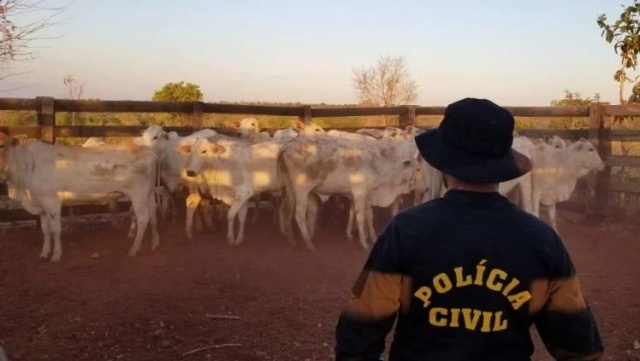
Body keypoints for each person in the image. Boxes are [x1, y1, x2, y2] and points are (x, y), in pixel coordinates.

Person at [333, 98, 604, 361]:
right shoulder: (542, 239)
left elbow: (357, 334)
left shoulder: (405, 231)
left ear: (443, 162)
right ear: (503, 165)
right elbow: (583, 348)